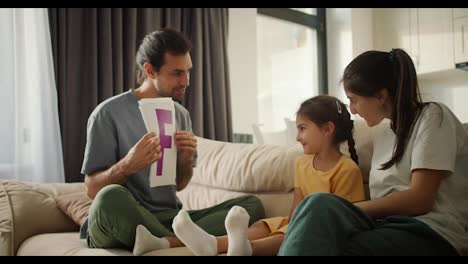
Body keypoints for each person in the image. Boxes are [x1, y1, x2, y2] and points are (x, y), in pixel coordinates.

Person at [80, 28, 265, 253]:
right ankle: (183, 238)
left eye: (188, 71)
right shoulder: (108, 113)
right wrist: (127, 165)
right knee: (109, 198)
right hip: (124, 215)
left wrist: (186, 160)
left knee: (250, 205)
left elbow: (179, 184)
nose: (186, 81)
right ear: (150, 70)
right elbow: (92, 189)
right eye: (177, 73)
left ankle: (163, 240)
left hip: (170, 217)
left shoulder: (180, 114)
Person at [278, 48, 468, 256]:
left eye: (354, 99)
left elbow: (420, 199)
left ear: (381, 96)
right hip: (384, 227)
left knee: (326, 215)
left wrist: (350, 210)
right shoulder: (385, 134)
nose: (352, 109)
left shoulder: (434, 116)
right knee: (318, 210)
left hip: (430, 231)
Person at [135, 95, 366, 256]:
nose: (297, 136)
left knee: (282, 232)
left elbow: (348, 219)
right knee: (261, 226)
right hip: (295, 221)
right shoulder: (302, 164)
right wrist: (293, 223)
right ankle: (213, 244)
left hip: (321, 230)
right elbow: (296, 206)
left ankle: (246, 249)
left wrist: (298, 227)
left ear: (327, 129)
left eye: (303, 128)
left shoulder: (346, 171)